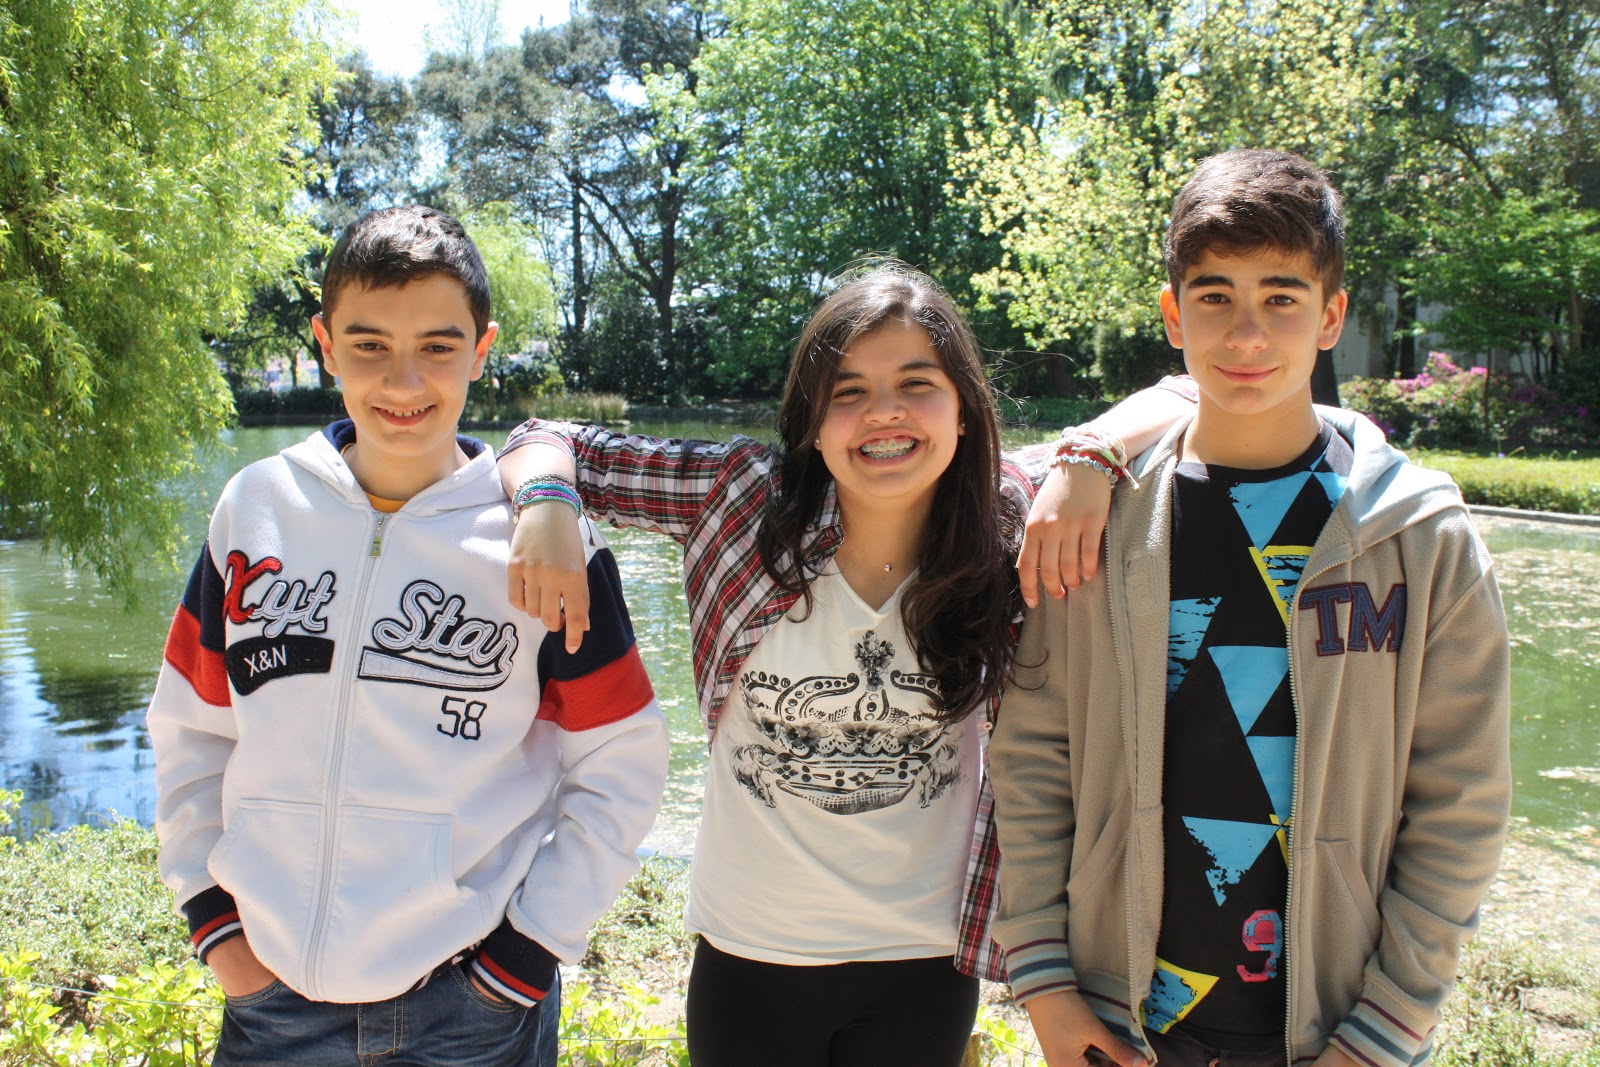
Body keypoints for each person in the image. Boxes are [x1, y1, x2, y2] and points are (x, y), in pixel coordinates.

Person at [498, 260, 1198, 1067]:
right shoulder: (741, 498)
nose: (884, 412)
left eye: (916, 383)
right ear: (811, 421)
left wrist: (1089, 458)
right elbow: (545, 439)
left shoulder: (1009, 510)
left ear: (965, 409)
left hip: (926, 959)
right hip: (748, 951)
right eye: (849, 391)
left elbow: (1189, 393)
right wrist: (547, 504)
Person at [989, 149, 1512, 1067]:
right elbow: (1036, 754)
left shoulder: (1423, 539)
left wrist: (1387, 1027)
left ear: (1331, 316)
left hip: (1337, 1029)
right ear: (1172, 313)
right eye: (1215, 296)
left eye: (1281, 297)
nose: (1245, 334)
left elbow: (1460, 802)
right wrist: (1044, 980)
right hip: (1118, 1023)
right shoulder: (1098, 526)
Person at [146, 205, 669, 1067]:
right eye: (369, 344)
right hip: (272, 1004)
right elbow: (191, 730)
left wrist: (526, 956)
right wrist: (217, 927)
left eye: (437, 345)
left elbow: (621, 760)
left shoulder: (544, 544)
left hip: (474, 1011)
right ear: (324, 343)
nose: (403, 379)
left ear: (482, 349)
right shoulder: (255, 506)